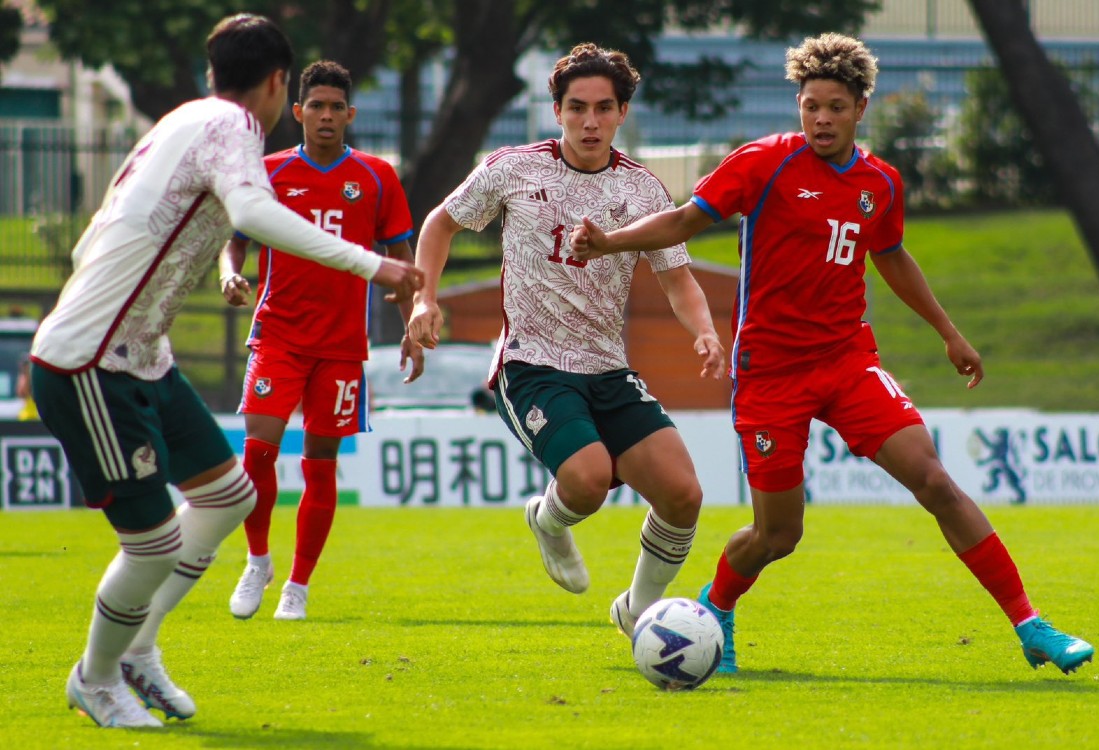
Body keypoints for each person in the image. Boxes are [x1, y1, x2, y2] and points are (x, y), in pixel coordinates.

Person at [569, 32, 1094, 676]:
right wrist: (610, 242)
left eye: (836, 107)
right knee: (778, 536)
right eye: (811, 105)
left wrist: (949, 333)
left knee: (935, 480)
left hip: (848, 362)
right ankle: (719, 607)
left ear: (860, 108)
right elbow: (682, 221)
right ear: (799, 104)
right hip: (770, 373)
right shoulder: (762, 163)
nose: (821, 118)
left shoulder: (880, 182)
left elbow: (892, 255)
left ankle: (1031, 626)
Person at [29, 15, 422, 729]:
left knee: (230, 496)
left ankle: (140, 650)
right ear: (280, 86)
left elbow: (101, 228)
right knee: (151, 543)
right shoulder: (235, 129)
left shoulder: (184, 119)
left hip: (142, 359)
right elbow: (250, 212)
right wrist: (375, 263)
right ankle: (97, 678)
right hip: (91, 364)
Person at [407, 43, 726, 637]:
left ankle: (635, 613)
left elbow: (678, 280)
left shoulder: (643, 190)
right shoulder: (513, 167)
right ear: (556, 110)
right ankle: (548, 520)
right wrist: (425, 297)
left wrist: (705, 330)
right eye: (577, 107)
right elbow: (440, 222)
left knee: (684, 495)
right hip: (530, 363)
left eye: (604, 108)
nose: (590, 121)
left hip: (607, 369)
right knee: (587, 480)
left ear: (622, 112)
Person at [219, 60, 421, 622]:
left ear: (350, 114)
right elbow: (233, 240)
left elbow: (402, 262)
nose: (327, 116)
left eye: (337, 107)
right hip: (278, 336)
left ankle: (298, 585)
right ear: (298, 111)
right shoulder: (269, 172)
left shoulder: (378, 177)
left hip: (341, 346)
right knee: (257, 450)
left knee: (320, 464)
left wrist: (412, 327)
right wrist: (229, 273)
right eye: (317, 106)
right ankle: (257, 560)